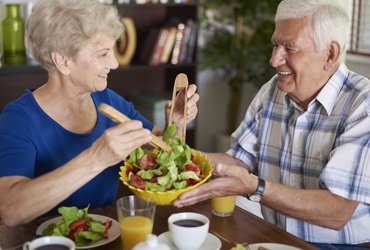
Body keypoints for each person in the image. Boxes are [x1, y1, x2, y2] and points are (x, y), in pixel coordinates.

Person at [174, 0, 370, 248]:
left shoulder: (363, 104)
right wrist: (176, 155)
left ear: (330, 54)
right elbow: (237, 160)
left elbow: (338, 212)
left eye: (290, 47)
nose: (274, 59)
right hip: (276, 238)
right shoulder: (272, 91)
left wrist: (256, 187)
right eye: (276, 45)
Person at [0, 0, 199, 227]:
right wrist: (96, 159)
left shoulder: (108, 100)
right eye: (103, 54)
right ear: (63, 61)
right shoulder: (18, 120)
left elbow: (160, 156)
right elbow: (10, 210)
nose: (114, 63)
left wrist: (175, 125)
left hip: (105, 234)